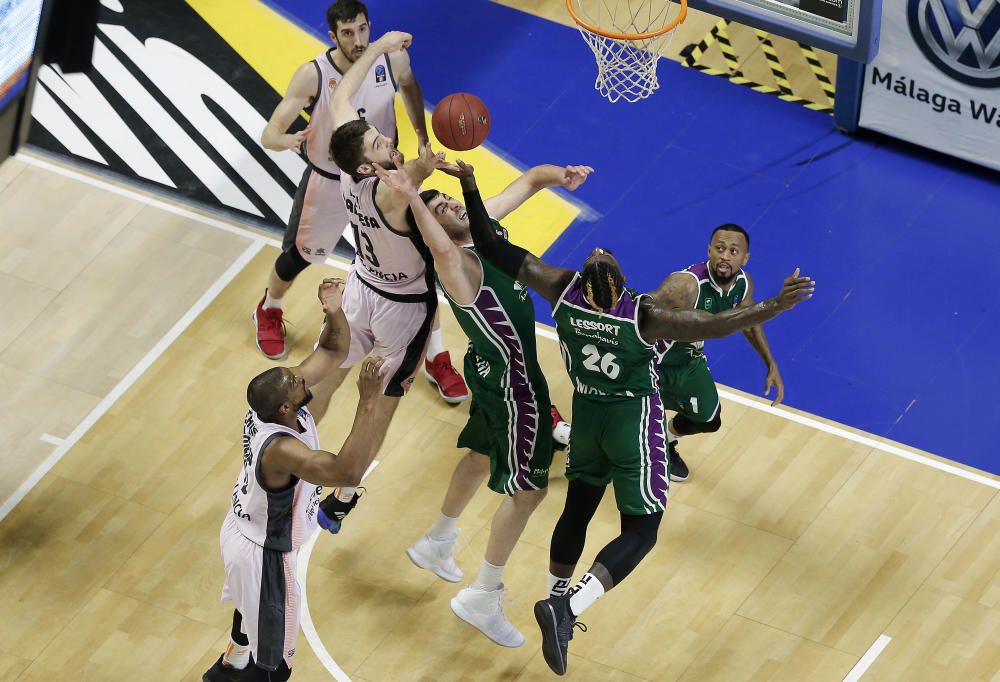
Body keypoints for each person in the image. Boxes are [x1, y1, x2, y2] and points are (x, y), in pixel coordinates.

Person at [450, 161, 814, 676]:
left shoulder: (563, 292)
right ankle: (566, 608)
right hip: (630, 426)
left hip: (588, 419)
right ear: (622, 285)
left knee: (576, 509)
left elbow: (491, 246)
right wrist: (775, 305)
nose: (601, 252)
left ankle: (556, 598)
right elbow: (716, 324)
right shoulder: (644, 315)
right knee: (643, 530)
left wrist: (469, 186)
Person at [373, 160, 592, 647]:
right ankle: (483, 595)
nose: (450, 202)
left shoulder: (481, 228)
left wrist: (561, 175)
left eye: (448, 198)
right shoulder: (456, 265)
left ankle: (437, 542)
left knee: (479, 455)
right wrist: (412, 195)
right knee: (531, 490)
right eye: (440, 207)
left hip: (492, 369)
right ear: (431, 226)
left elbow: (529, 181)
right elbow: (437, 242)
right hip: (513, 379)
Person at [254, 1, 467, 405]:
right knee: (299, 257)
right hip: (333, 180)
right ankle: (270, 306)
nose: (357, 40)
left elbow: (408, 84)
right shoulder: (315, 74)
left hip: (388, 185)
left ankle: (438, 356)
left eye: (363, 30)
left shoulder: (390, 58)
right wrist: (289, 140)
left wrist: (421, 134)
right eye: (347, 33)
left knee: (419, 270)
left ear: (370, 28)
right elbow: (270, 133)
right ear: (332, 36)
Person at [311, 30, 459, 533]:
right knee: (382, 405)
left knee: (329, 373)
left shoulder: (349, 172)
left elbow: (338, 99)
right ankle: (344, 494)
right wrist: (438, 152)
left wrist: (377, 50)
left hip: (361, 287)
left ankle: (295, 444)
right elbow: (427, 165)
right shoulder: (394, 192)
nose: (384, 137)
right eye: (378, 141)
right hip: (402, 310)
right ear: (369, 163)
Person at [204, 278, 386, 682]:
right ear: (287, 405)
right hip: (265, 553)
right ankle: (239, 670)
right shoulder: (283, 450)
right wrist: (369, 401)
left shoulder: (273, 406)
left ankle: (227, 666)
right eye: (297, 381)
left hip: (243, 528)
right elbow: (346, 471)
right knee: (276, 666)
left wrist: (333, 309)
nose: (304, 378)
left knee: (250, 613)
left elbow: (332, 350)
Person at [649, 223, 783, 482]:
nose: (725, 255)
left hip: (688, 360)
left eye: (733, 251)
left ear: (745, 258)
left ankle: (664, 441)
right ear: (709, 250)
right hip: (652, 361)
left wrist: (770, 362)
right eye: (720, 248)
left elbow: (749, 321)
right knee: (632, 416)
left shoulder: (743, 284)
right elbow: (640, 310)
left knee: (708, 420)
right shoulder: (686, 285)